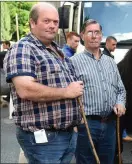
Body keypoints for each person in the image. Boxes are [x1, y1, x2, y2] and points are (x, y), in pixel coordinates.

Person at [3, 2, 84, 163]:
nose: (52, 26)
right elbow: (25, 89)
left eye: (55, 22)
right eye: (46, 21)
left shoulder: (57, 51)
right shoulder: (23, 48)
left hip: (66, 135)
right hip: (44, 139)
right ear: (32, 23)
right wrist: (66, 92)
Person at [70, 19, 126, 164]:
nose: (94, 36)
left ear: (101, 36)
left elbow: (120, 89)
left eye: (97, 32)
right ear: (83, 35)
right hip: (87, 125)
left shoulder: (111, 62)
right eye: (90, 32)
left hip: (110, 124)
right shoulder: (73, 62)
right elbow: (68, 94)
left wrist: (120, 103)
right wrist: (76, 120)